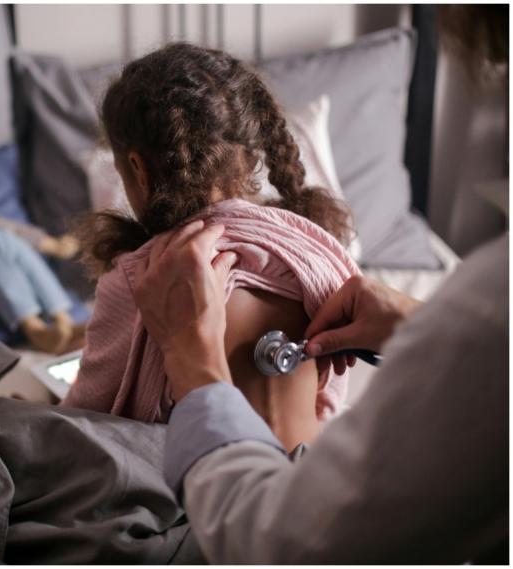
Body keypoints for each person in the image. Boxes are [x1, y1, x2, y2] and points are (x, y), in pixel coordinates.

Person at [131, 6, 509, 561]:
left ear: (136, 171)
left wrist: (196, 368)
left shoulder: (487, 311)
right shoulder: (325, 256)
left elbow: (280, 544)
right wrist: (426, 328)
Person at [61, 43, 360, 451]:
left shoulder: (143, 279)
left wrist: (44, 420)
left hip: (202, 498)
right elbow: (328, 400)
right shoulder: (318, 253)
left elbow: (87, 420)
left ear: (137, 169)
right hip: (307, 481)